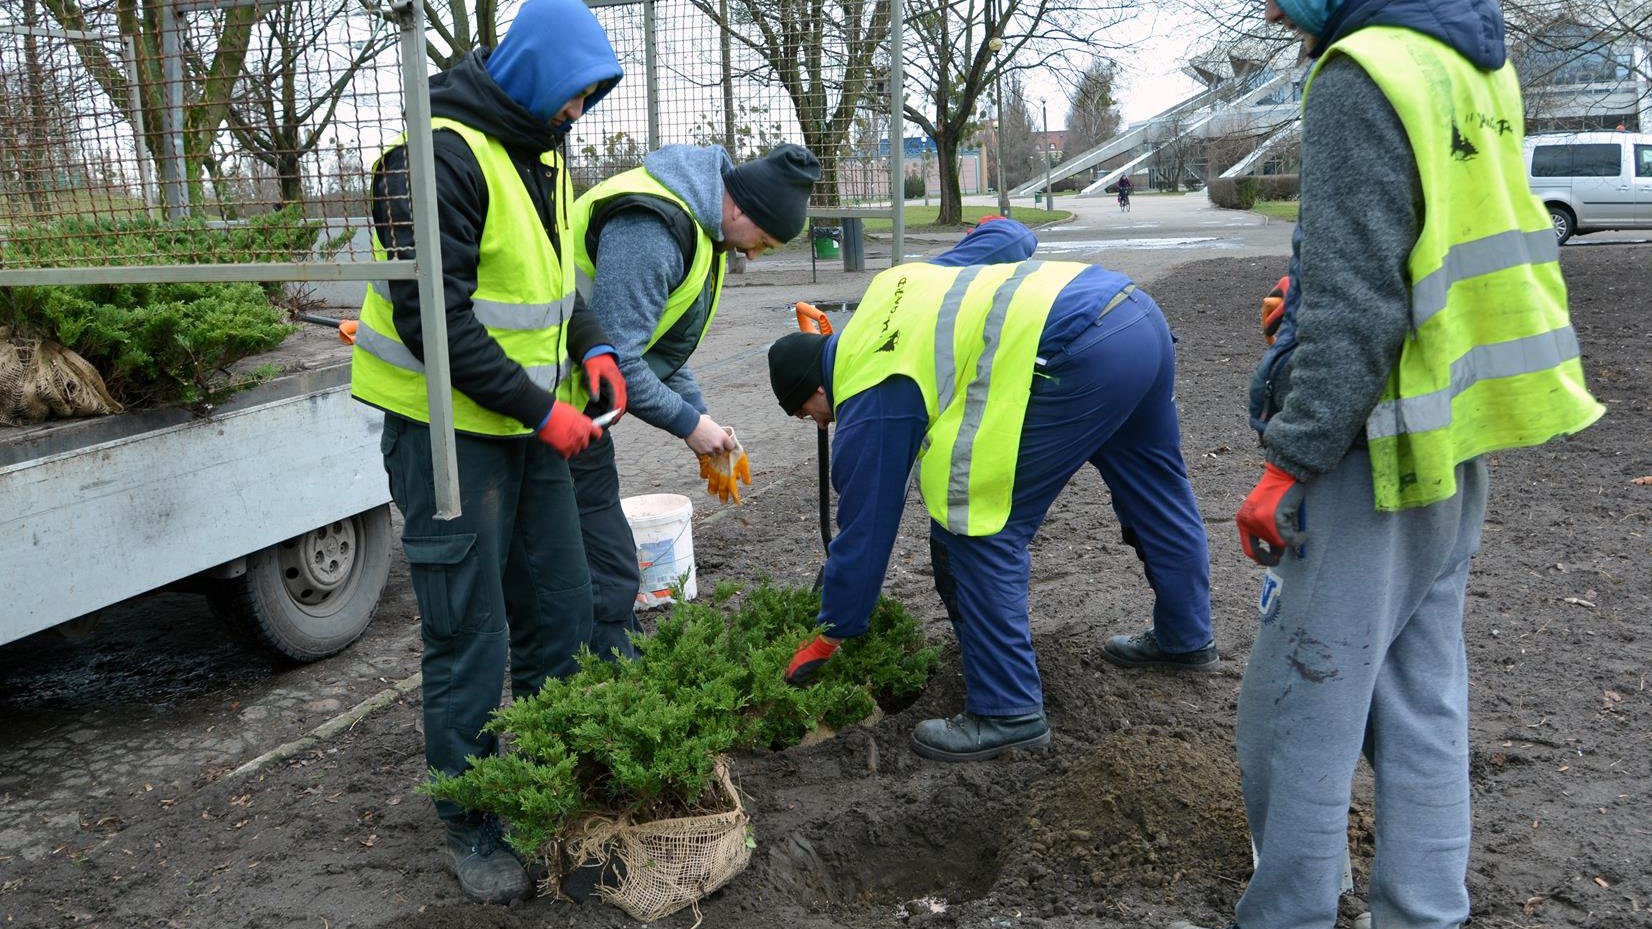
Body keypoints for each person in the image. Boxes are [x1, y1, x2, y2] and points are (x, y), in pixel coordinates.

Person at [1176, 1, 1602, 927]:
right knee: (1421, 706)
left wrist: (1290, 459)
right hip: (1451, 435)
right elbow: (1419, 241)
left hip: (1372, 453)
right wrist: (1311, 291)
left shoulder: (1360, 73)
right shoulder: (1468, 61)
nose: (1274, 11)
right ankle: (1423, 911)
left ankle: (1288, 913)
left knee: (1294, 712)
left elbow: (1363, 300)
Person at [348, 0, 625, 905]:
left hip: (520, 423)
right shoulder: (432, 158)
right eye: (576, 95)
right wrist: (544, 411)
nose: (579, 113)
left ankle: (546, 785)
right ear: (539, 75)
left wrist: (594, 345)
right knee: (469, 632)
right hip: (445, 434)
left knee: (561, 607)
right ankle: (471, 821)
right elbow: (440, 322)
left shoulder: (540, 152)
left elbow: (556, 273)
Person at [768, 218, 1215, 762]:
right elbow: (1012, 238)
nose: (819, 424)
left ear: (817, 387)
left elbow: (866, 526)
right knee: (1156, 489)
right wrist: (989, 224)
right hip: (1132, 313)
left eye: (807, 413)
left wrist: (831, 632)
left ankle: (1006, 709)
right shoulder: (894, 284)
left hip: (1075, 352)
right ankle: (1186, 636)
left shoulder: (865, 384)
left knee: (972, 518)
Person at [565, 143, 820, 659]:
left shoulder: (705, 232)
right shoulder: (653, 230)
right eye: (763, 241)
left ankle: (614, 668)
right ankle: (594, 680)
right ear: (739, 209)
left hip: (577, 414)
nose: (752, 255)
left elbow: (663, 353)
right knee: (584, 561)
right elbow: (616, 365)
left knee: (604, 557)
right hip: (542, 405)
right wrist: (690, 427)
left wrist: (705, 423)